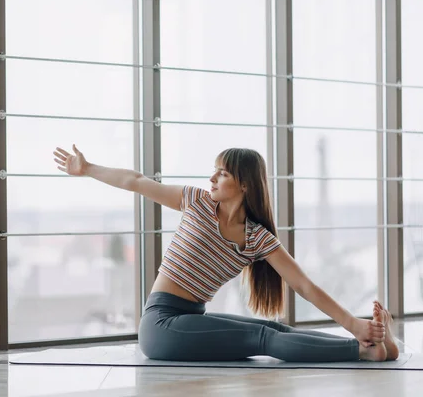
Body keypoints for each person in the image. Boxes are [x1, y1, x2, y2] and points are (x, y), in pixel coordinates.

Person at [53, 145, 399, 362]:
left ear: (244, 184)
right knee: (263, 338)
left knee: (270, 328)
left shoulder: (256, 238)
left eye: (223, 172)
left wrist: (354, 324)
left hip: (190, 319)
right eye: (215, 170)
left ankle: (364, 341)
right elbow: (137, 180)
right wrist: (87, 169)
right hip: (160, 326)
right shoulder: (196, 202)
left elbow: (304, 286)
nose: (212, 177)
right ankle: (361, 353)